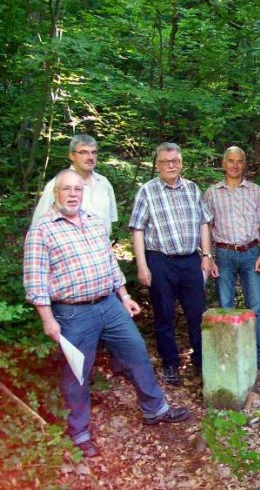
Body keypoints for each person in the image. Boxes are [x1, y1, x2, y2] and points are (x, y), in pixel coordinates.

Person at [24, 170, 189, 459]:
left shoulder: (93, 222)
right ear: (55, 193)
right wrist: (47, 319)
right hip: (73, 313)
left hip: (110, 305)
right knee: (77, 373)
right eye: (67, 189)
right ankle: (79, 432)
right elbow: (35, 279)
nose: (73, 194)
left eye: (77, 189)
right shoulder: (42, 230)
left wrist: (124, 297)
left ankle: (155, 409)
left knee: (137, 352)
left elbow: (110, 263)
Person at [129, 143, 214, 385]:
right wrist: (142, 266)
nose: (171, 165)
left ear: (181, 162)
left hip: (190, 261)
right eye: (165, 161)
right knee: (164, 314)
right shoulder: (147, 191)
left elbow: (204, 223)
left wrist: (206, 256)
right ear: (157, 165)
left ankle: (201, 362)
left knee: (197, 314)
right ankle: (170, 364)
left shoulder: (192, 189)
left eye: (175, 160)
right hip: (160, 261)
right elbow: (137, 230)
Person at [204, 146, 260, 367]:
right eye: (230, 161)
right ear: (223, 164)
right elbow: (206, 227)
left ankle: (257, 354)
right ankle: (229, 352)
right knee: (226, 304)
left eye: (239, 161)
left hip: (251, 252)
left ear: (244, 164)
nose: (235, 165)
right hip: (224, 253)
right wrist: (210, 257)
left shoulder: (255, 191)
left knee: (255, 306)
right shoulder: (212, 192)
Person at [32, 134, 118, 236]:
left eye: (93, 152)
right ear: (72, 155)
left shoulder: (104, 183)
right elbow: (37, 226)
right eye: (83, 152)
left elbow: (110, 221)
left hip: (101, 248)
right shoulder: (57, 185)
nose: (90, 157)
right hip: (69, 248)